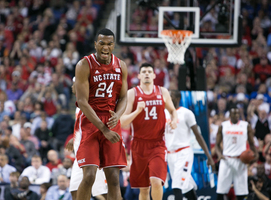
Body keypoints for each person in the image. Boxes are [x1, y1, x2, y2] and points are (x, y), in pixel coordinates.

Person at [74, 28, 128, 200]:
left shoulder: (121, 66)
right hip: (92, 121)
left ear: (113, 45)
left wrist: (118, 115)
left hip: (111, 121)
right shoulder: (84, 65)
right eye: (102, 43)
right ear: (96, 44)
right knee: (89, 176)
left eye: (109, 44)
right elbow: (82, 102)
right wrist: (103, 129)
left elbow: (124, 96)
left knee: (113, 179)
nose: (106, 47)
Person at [120, 62, 178, 200]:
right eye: (144, 71)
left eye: (149, 71)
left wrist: (174, 120)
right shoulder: (132, 93)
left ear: (154, 75)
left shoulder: (162, 91)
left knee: (156, 182)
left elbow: (172, 110)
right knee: (144, 189)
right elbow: (123, 121)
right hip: (138, 145)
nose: (146, 74)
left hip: (158, 144)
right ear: (139, 75)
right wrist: (137, 111)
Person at [166, 90, 215, 200]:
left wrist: (209, 156)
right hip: (170, 155)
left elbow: (198, 136)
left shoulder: (186, 113)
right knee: (186, 187)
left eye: (171, 95)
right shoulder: (164, 113)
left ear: (178, 98)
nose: (168, 98)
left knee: (176, 186)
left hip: (183, 153)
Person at [65, 77, 108, 200]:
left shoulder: (92, 103)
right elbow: (83, 126)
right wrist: (75, 138)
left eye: (74, 84)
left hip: (92, 153)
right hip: (80, 154)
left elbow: (99, 125)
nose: (72, 87)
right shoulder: (79, 104)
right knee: (75, 190)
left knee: (102, 192)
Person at [215, 105, 258, 200]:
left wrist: (255, 154)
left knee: (241, 191)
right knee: (221, 190)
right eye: (234, 113)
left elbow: (251, 143)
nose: (236, 115)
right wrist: (219, 155)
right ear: (230, 114)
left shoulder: (246, 125)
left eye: (238, 113)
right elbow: (217, 144)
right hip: (226, 159)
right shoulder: (223, 125)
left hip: (241, 160)